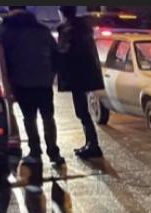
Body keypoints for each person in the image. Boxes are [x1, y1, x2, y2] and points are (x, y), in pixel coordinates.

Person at [0, 6, 63, 167]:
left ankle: (35, 151)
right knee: (48, 117)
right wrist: (50, 74)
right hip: (44, 82)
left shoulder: (7, 30)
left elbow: (3, 58)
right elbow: (56, 54)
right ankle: (53, 152)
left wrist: (9, 81)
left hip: (22, 83)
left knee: (29, 118)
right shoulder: (41, 30)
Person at [56, 5, 105, 160]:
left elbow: (67, 53)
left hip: (76, 77)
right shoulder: (83, 28)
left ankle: (93, 145)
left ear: (63, 14)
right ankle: (91, 143)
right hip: (85, 76)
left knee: (82, 111)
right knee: (82, 111)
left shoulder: (69, 30)